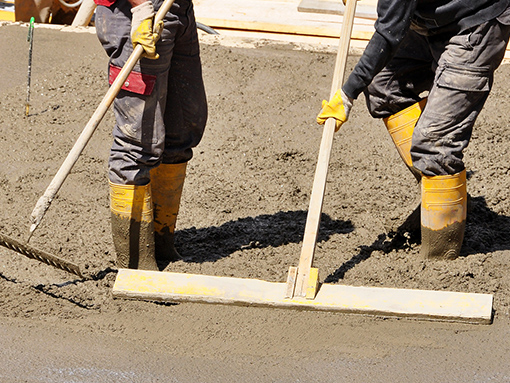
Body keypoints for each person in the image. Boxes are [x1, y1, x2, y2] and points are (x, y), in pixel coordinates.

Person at [317, 0, 510, 259]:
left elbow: (388, 33)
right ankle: (443, 194)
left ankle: (440, 256)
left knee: (434, 144)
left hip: (477, 22)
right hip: (435, 18)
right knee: (384, 86)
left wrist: (347, 94)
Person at [93, 0, 207, 270]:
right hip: (136, 11)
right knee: (138, 138)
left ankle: (162, 243)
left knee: (182, 128)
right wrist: (142, 7)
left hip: (176, 10)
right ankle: (135, 260)